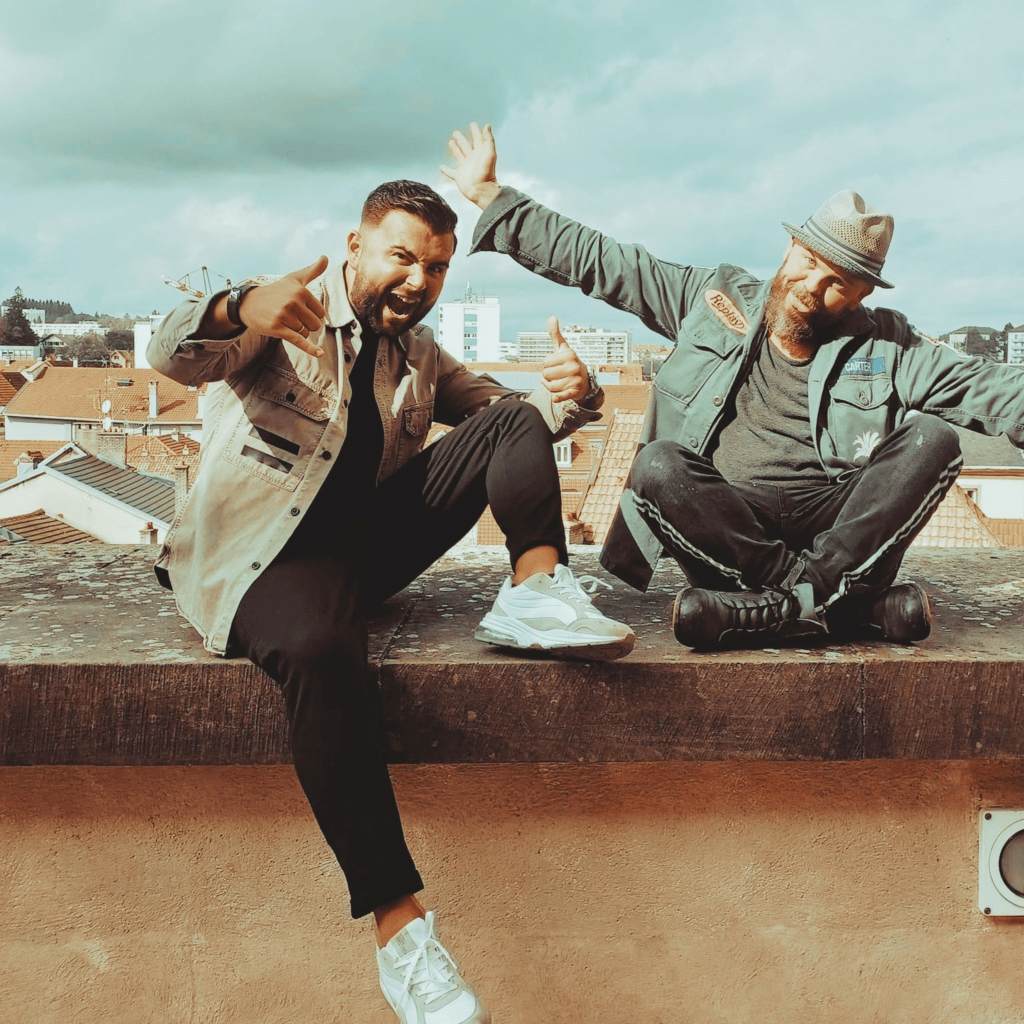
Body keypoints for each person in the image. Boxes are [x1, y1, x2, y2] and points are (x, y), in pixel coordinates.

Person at [147, 179, 634, 1024]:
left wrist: (576, 395)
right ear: (356, 246)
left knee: (509, 417)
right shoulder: (285, 315)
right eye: (402, 257)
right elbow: (172, 353)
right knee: (321, 652)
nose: (418, 280)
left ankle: (536, 591)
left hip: (362, 552)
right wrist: (238, 305)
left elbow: (513, 424)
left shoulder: (418, 355)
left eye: (436, 267)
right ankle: (401, 934)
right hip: (262, 557)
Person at [444, 122, 1024, 650]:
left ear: (861, 294)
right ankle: (835, 606)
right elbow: (608, 262)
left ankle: (777, 609)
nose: (811, 286)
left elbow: (993, 389)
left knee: (934, 439)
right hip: (727, 533)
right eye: (808, 261)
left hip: (837, 534)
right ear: (790, 247)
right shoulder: (712, 300)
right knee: (657, 464)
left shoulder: (890, 345)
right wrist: (493, 198)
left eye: (837, 281)